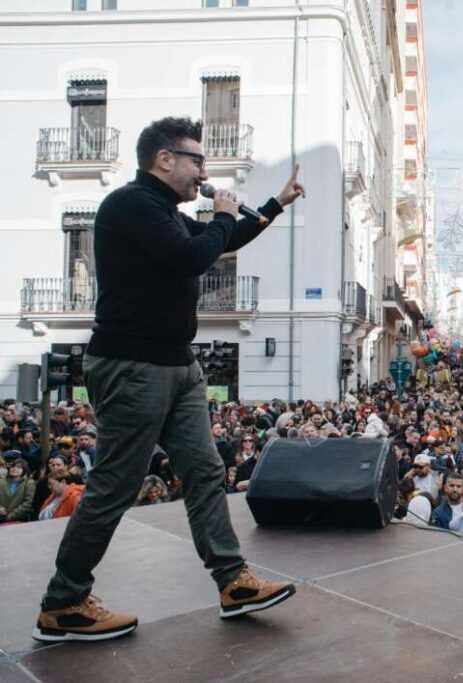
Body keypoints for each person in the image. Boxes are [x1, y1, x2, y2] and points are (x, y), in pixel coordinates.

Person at [33, 117, 304, 642]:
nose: (204, 170)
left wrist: (274, 205)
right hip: (134, 365)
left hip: (177, 364)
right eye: (197, 160)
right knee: (115, 484)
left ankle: (233, 581)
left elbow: (221, 240)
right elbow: (194, 257)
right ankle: (62, 603)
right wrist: (222, 212)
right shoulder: (131, 206)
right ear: (164, 159)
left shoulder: (166, 214)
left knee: (204, 471)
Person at [0, 458, 36, 522]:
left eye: (18, 467)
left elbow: (28, 503)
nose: (14, 469)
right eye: (12, 467)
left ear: (24, 470)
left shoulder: (29, 483)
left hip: (18, 520)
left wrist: (13, 515)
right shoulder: (1, 482)